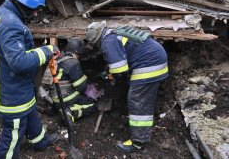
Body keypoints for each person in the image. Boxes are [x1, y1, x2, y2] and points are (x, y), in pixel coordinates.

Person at [0, 0, 59, 158]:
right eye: (35, 9)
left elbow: (14, 53)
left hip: (12, 86)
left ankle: (40, 141)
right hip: (9, 93)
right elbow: (18, 62)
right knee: (13, 134)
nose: (35, 13)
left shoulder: (2, 15)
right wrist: (45, 51)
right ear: (24, 4)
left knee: (30, 113)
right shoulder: (10, 24)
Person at [85, 21, 169, 153]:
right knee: (140, 97)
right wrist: (109, 70)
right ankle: (138, 128)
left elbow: (121, 70)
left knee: (137, 100)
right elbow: (123, 56)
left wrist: (112, 80)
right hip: (156, 58)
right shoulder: (115, 33)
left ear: (96, 41)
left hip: (148, 65)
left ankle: (138, 143)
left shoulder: (107, 42)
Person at [50, 38, 97, 125]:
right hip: (66, 98)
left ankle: (60, 109)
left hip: (55, 97)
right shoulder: (72, 62)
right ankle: (70, 112)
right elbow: (81, 87)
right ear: (78, 52)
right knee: (92, 105)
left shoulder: (59, 58)